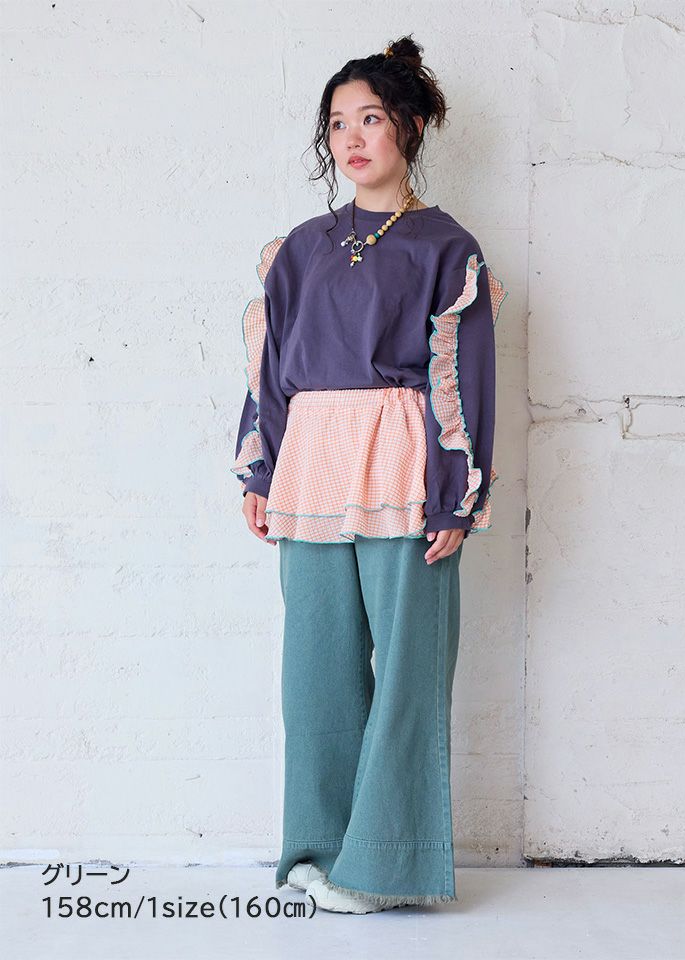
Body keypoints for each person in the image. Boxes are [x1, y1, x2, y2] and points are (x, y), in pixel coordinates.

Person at [230, 35, 507, 914]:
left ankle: (386, 867)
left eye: (372, 120)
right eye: (338, 123)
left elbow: (462, 371)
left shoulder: (446, 246)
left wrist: (457, 492)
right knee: (315, 667)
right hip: (310, 463)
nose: (352, 139)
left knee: (410, 668)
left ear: (410, 128)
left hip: (404, 461)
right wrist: (259, 469)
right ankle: (319, 845)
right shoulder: (300, 249)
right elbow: (272, 368)